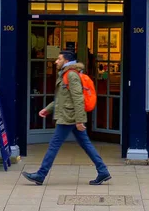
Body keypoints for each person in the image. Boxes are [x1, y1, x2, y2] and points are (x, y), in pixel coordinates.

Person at [22, 50, 111, 186]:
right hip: (70, 116)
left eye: (59, 59)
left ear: (66, 61)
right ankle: (103, 170)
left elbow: (77, 98)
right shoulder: (66, 74)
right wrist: (48, 109)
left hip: (69, 117)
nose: (56, 61)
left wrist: (80, 120)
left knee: (53, 146)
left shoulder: (71, 75)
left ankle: (40, 175)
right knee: (86, 145)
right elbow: (62, 98)